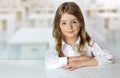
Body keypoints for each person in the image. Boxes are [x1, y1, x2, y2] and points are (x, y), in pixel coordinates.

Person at [45, 2, 113, 71]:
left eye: (74, 22)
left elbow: (108, 57)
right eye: (64, 23)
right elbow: (50, 62)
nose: (69, 27)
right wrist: (78, 58)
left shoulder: (88, 42)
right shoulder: (55, 42)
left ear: (80, 23)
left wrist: (81, 63)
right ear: (58, 25)